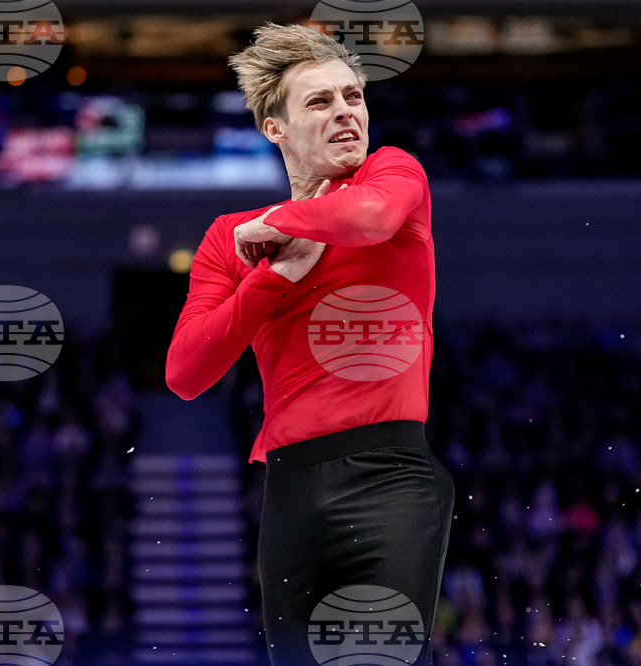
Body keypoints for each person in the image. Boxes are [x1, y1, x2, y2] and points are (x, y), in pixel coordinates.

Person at [166, 22, 454, 666]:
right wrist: (273, 279)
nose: (346, 112)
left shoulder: (392, 174)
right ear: (276, 128)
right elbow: (186, 372)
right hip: (291, 489)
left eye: (354, 97)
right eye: (320, 102)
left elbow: (370, 217)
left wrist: (277, 224)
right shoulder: (231, 241)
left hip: (393, 478)